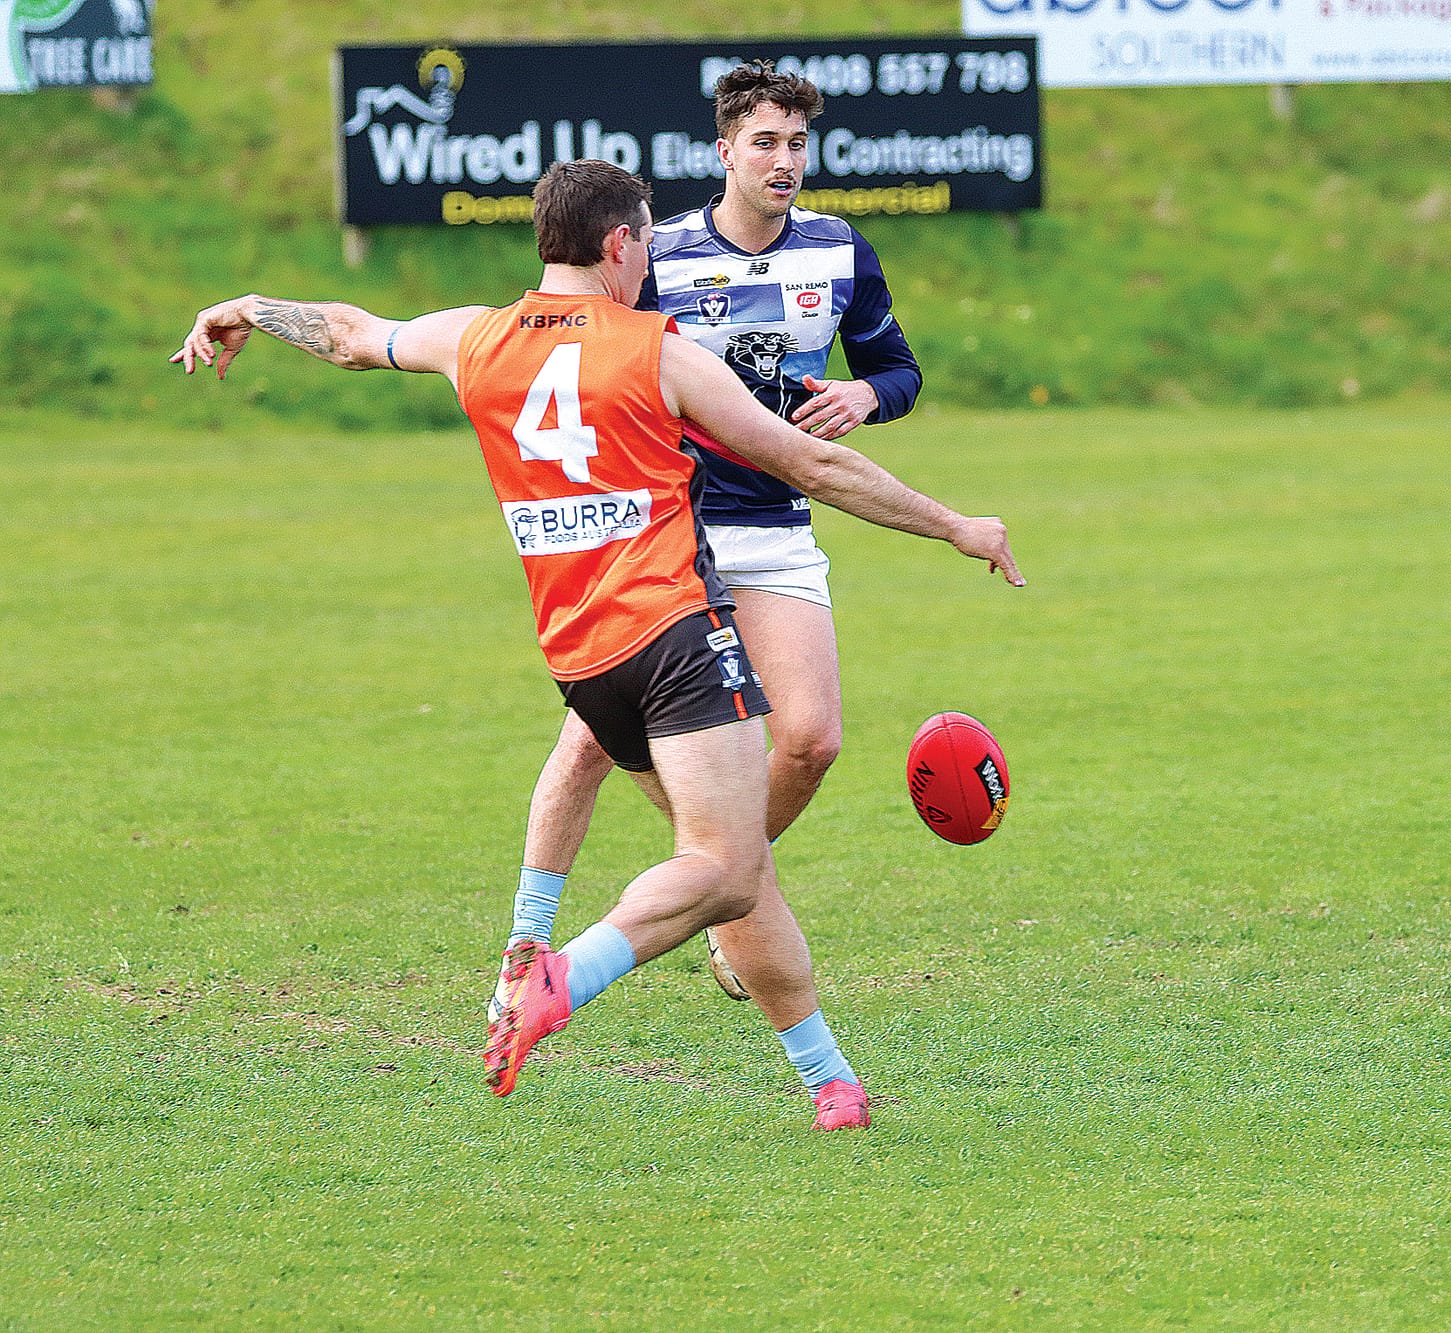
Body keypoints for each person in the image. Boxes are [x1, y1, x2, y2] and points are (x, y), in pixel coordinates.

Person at [171, 159, 1023, 1130]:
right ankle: (561, 974)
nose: (651, 255)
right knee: (727, 868)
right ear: (619, 245)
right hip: (672, 635)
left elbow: (352, 334)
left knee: (736, 866)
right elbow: (808, 461)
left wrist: (250, 304)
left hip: (582, 660)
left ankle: (830, 1082)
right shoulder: (656, 350)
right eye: (649, 240)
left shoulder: (474, 337)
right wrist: (952, 522)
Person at [500, 64, 925, 1010]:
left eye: (799, 144)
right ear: (724, 150)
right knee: (585, 748)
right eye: (765, 144)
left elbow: (898, 369)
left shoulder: (839, 251)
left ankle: (730, 892)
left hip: (778, 524)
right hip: (670, 534)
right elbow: (587, 362)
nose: (785, 162)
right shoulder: (660, 256)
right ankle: (527, 952)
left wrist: (866, 392)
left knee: (810, 740)